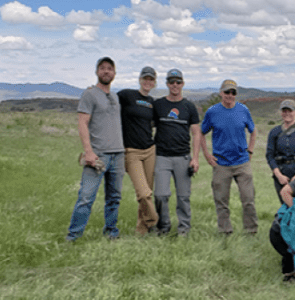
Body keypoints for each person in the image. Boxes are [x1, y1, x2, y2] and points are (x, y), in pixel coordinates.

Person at [66, 57, 125, 242]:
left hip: (118, 154)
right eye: (102, 68)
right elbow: (83, 123)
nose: (106, 71)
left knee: (114, 198)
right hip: (98, 155)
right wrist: (88, 152)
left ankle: (111, 232)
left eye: (110, 68)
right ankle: (73, 236)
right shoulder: (89, 94)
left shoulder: (115, 96)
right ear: (97, 72)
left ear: (114, 73)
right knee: (86, 197)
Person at [199, 79, 259, 235]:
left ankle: (251, 231)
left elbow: (253, 131)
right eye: (227, 92)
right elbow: (201, 133)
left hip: (242, 163)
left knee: (248, 200)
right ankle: (225, 231)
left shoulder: (243, 110)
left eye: (233, 92)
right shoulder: (212, 112)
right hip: (221, 164)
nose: (230, 95)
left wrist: (250, 151)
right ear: (221, 93)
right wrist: (207, 155)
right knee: (221, 202)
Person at [153, 69, 201, 236]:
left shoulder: (189, 107)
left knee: (183, 197)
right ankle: (163, 226)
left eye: (178, 82)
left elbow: (196, 133)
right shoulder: (158, 105)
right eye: (171, 82)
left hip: (183, 156)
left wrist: (195, 158)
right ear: (166, 84)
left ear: (183, 84)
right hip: (162, 156)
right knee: (160, 195)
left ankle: (183, 230)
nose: (175, 85)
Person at [118, 66, 158, 236]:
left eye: (151, 79)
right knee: (143, 193)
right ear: (140, 80)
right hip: (131, 152)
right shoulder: (127, 95)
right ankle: (155, 222)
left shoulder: (152, 103)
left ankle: (141, 231)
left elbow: (156, 123)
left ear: (154, 83)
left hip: (149, 150)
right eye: (145, 78)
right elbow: (108, 100)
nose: (148, 82)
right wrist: (94, 91)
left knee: (148, 192)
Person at [265, 99, 295, 202]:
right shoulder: (274, 132)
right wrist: (279, 175)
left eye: (290, 111)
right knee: (286, 207)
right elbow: (270, 155)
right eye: (284, 111)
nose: (287, 114)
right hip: (281, 175)